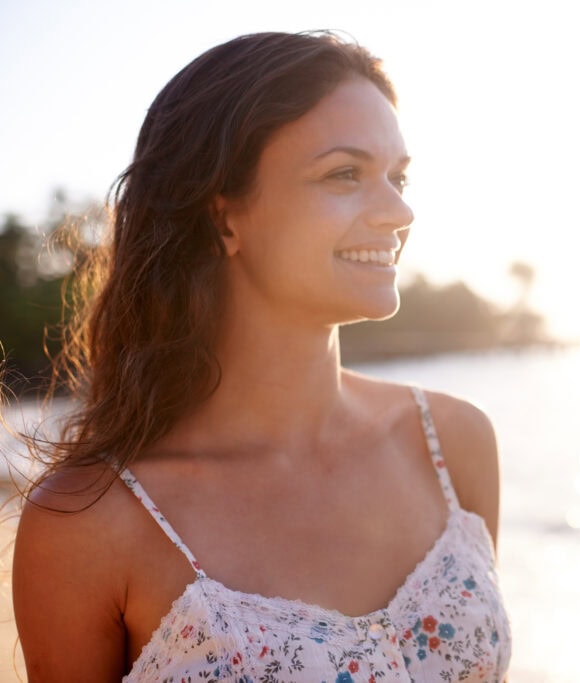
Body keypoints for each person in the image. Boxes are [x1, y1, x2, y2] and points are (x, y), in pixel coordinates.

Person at [11, 31, 511, 681]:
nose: (399, 210)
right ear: (224, 216)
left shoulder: (451, 444)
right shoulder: (91, 524)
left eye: (398, 176)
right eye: (344, 174)